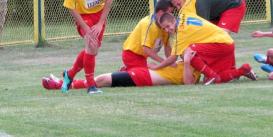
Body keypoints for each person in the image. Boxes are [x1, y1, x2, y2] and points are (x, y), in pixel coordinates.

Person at [61, 0, 115, 94]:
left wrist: (100, 23)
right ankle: (91, 86)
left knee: (93, 51)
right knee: (91, 46)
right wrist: (87, 28)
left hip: (99, 15)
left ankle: (70, 74)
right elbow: (71, 8)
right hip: (83, 16)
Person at [152, 12, 258, 85]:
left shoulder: (180, 32)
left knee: (187, 52)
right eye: (164, 28)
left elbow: (172, 58)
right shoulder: (186, 13)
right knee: (219, 77)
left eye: (167, 26)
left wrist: (156, 67)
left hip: (221, 43)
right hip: (226, 42)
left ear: (174, 20)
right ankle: (244, 69)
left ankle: (212, 76)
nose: (166, 30)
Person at [42, 49, 202, 90]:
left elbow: (189, 83)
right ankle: (66, 81)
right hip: (143, 73)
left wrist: (187, 62)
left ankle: (63, 84)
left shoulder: (193, 70)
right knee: (102, 79)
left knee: (101, 80)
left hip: (144, 79)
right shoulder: (186, 61)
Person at [120, 0, 173, 71]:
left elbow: (167, 46)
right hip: (131, 55)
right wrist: (165, 63)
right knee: (145, 77)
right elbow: (146, 50)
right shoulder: (148, 24)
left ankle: (126, 70)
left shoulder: (164, 26)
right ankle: (124, 73)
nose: (171, 16)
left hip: (142, 57)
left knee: (155, 73)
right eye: (169, 13)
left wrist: (171, 62)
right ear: (161, 13)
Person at [168, 0, 246, 33]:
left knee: (220, 37)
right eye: (176, 7)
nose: (178, 8)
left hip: (233, 5)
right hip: (216, 13)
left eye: (179, 4)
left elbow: (202, 27)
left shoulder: (200, 2)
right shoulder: (190, 0)